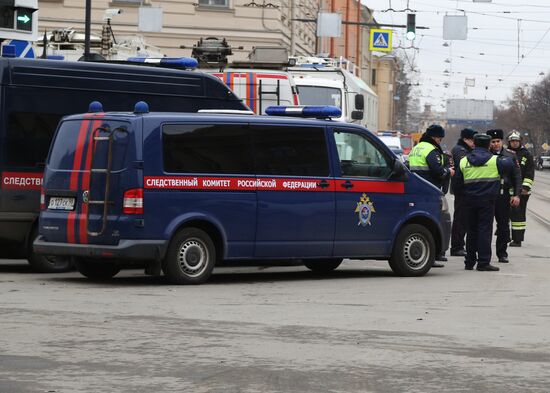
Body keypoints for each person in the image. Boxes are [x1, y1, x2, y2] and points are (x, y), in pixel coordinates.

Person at [453, 134, 518, 271]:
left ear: (474, 144)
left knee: (471, 231)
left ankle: (469, 262)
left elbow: (456, 185)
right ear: (489, 145)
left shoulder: (464, 161)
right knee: (484, 231)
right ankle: (483, 262)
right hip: (487, 201)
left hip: (469, 201)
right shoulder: (496, 161)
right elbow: (513, 169)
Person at [408, 124, 454, 267]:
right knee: (434, 224)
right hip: (430, 191)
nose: (440, 142)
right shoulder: (430, 150)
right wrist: (448, 171)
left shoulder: (416, 148)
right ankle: (433, 256)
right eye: (439, 139)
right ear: (435, 137)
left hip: (416, 190)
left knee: (420, 224)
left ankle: (427, 255)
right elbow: (438, 171)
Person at [486, 129, 521, 263]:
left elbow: (517, 176)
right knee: (486, 226)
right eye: (493, 142)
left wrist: (517, 195)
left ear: (502, 142)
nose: (495, 144)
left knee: (503, 226)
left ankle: (502, 253)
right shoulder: (485, 154)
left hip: (503, 195)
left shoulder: (510, 155)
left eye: (498, 141)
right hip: (488, 195)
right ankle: (484, 254)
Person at [449, 128, 477, 257]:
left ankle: (459, 245)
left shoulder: (463, 149)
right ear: (466, 139)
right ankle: (457, 246)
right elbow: (463, 169)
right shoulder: (461, 151)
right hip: (462, 189)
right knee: (460, 219)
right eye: (472, 140)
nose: (474, 143)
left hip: (463, 189)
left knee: (463, 218)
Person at [507, 131, 535, 247]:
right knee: (504, 214)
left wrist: (525, 187)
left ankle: (517, 239)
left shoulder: (526, 154)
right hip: (507, 190)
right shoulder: (506, 153)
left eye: (516, 141)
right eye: (512, 141)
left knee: (518, 215)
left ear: (520, 142)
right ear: (509, 142)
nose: (514, 143)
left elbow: (529, 172)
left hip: (522, 191)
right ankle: (504, 235)